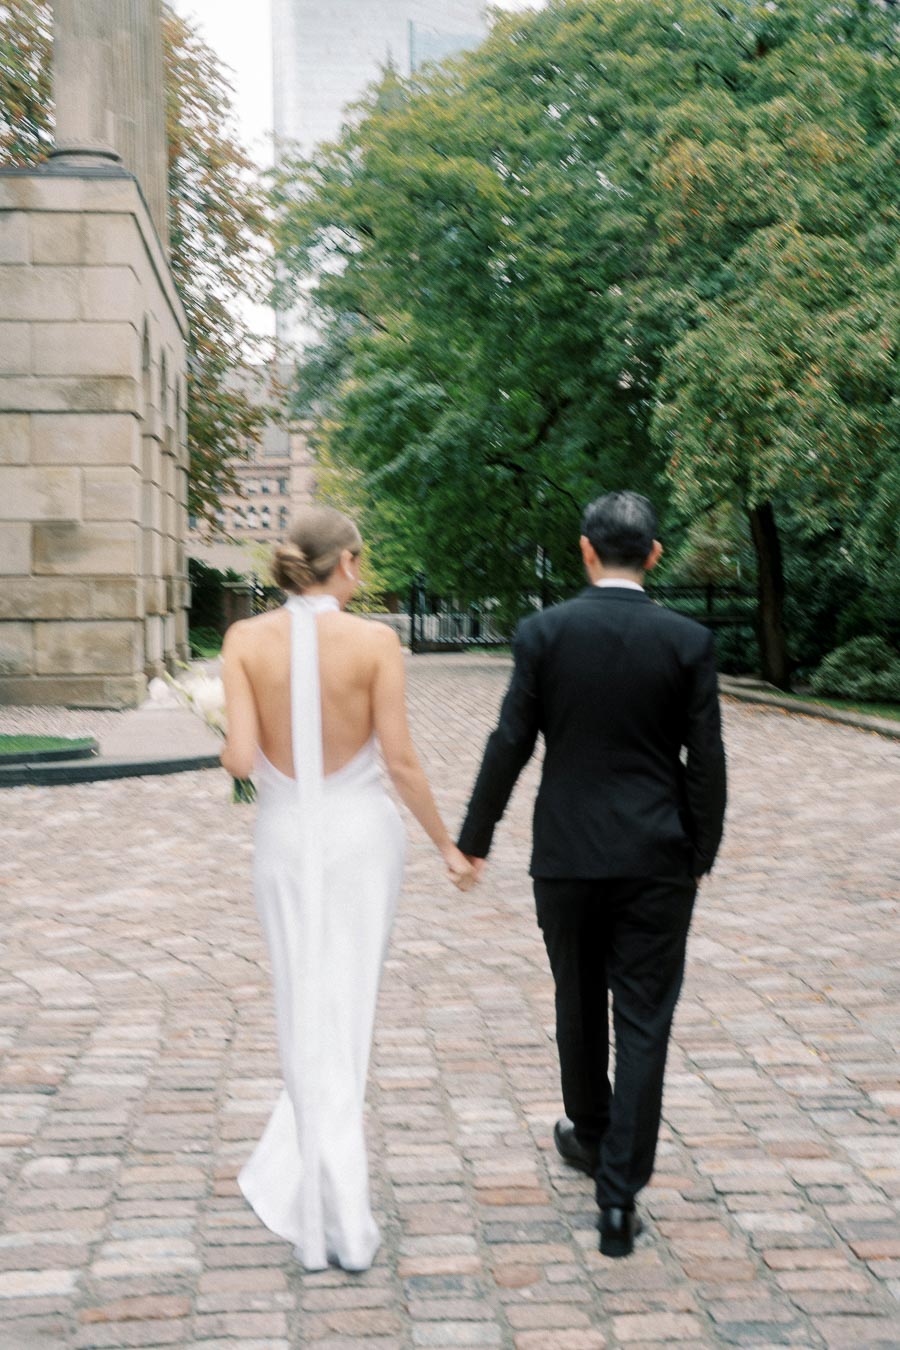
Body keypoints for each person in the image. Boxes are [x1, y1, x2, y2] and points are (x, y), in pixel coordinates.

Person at [458, 490, 727, 1257]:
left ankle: (590, 1129)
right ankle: (618, 1198)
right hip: (656, 855)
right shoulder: (687, 640)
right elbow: (705, 760)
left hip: (568, 855)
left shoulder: (545, 633)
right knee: (644, 1019)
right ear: (654, 554)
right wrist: (698, 852)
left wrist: (474, 838)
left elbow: (509, 740)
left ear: (584, 550)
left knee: (576, 996)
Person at [221, 505, 474, 1273]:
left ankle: (314, 1189)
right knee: (346, 1005)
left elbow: (238, 759)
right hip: (363, 840)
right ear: (349, 564)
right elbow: (399, 763)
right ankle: (338, 1201)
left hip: (287, 840)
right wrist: (447, 846)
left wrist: (230, 728)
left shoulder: (241, 640)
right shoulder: (374, 642)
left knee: (301, 1001)